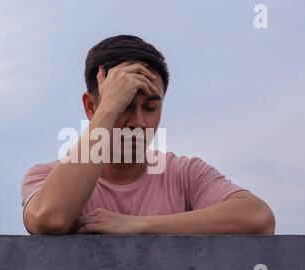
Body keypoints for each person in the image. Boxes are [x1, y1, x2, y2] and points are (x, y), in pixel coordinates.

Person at [21, 35, 275, 235]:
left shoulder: (184, 175)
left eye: (151, 107)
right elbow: (49, 218)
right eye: (124, 106)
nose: (139, 122)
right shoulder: (45, 177)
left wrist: (135, 225)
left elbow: (258, 218)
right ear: (90, 107)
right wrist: (108, 109)